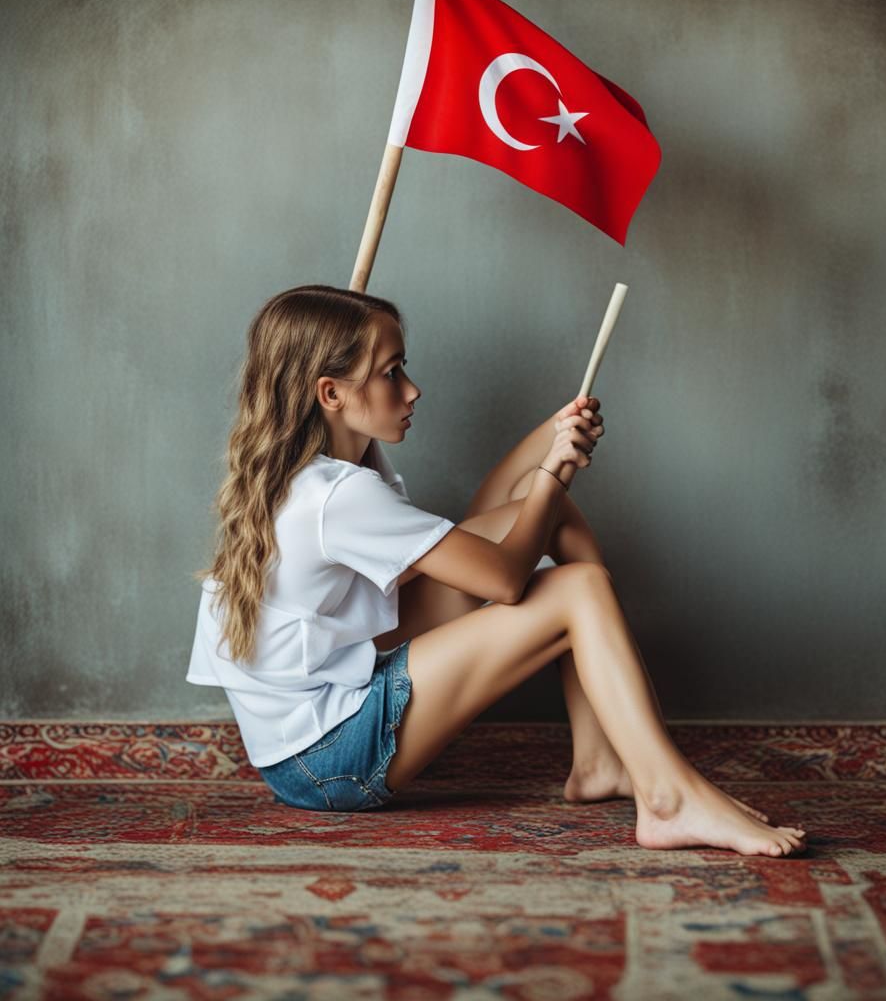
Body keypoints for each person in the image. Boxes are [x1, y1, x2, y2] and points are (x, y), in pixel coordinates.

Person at [187, 284, 807, 857]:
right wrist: (551, 472)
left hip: (317, 719)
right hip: (325, 759)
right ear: (331, 394)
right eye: (391, 372)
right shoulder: (337, 497)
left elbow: (488, 520)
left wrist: (554, 435)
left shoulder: (324, 471)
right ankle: (666, 797)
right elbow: (507, 579)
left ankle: (601, 761)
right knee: (576, 590)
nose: (412, 390)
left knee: (550, 517)